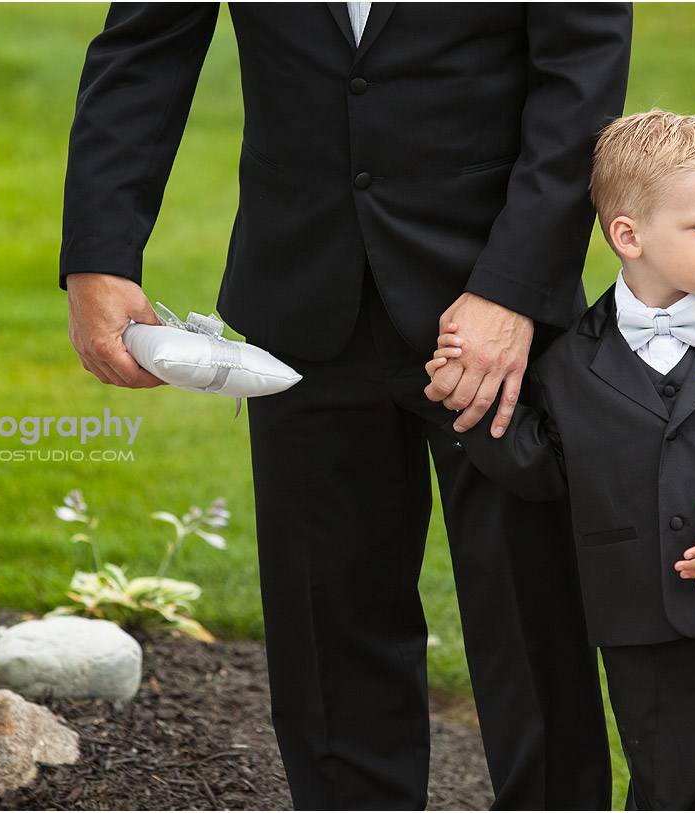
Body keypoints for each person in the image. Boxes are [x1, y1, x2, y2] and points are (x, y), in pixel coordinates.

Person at [60, 5, 632, 808]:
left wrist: (513, 290)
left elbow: (582, 76)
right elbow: (145, 49)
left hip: (497, 311)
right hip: (301, 292)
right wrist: (98, 254)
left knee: (532, 632)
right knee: (329, 639)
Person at [427, 109, 695, 810]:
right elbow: (543, 465)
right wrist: (462, 403)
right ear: (628, 234)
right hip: (636, 619)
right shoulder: (565, 366)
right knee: (668, 785)